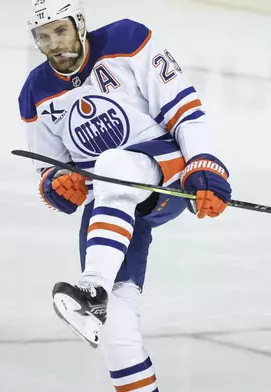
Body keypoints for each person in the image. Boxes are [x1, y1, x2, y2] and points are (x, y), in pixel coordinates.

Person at [18, 0, 232, 390]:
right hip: (110, 206)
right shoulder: (35, 91)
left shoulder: (127, 39)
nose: (54, 43)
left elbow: (184, 108)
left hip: (162, 174)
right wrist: (56, 184)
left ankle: (92, 285)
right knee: (114, 326)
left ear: (80, 24)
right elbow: (50, 167)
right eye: (43, 36)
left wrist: (204, 161)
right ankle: (101, 298)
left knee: (114, 163)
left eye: (61, 31)